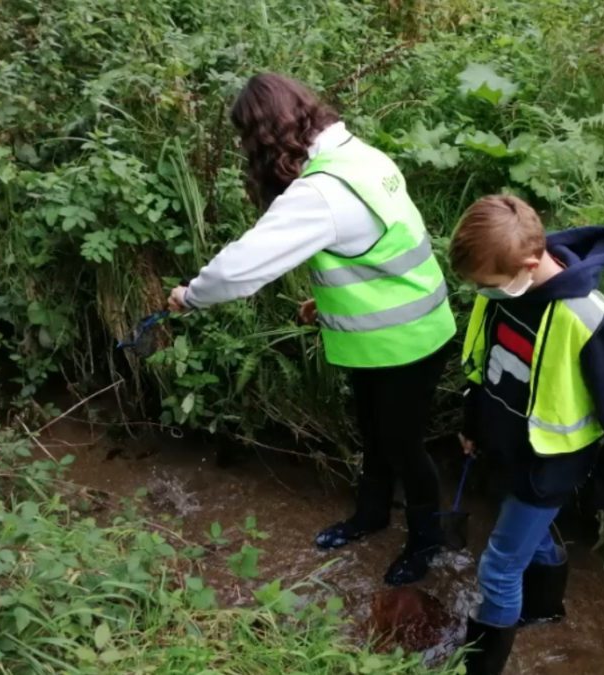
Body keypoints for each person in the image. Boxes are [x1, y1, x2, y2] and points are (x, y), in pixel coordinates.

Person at [166, 73, 456, 586]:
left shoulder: (321, 192)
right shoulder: (358, 154)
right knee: (374, 433)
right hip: (399, 324)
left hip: (406, 339)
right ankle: (370, 517)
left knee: (403, 444)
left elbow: (238, 270)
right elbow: (377, 246)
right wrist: (326, 303)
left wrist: (190, 296)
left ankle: (426, 542)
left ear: (262, 136)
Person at [449, 195, 604, 674]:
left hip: (551, 466)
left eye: (488, 284)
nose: (481, 292)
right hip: (507, 446)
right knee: (523, 537)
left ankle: (480, 667)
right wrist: (472, 426)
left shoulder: (586, 318)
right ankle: (544, 607)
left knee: (497, 569)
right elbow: (485, 366)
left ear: (530, 263)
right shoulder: (502, 288)